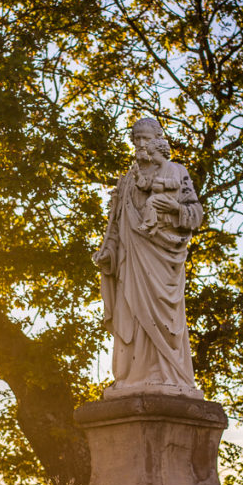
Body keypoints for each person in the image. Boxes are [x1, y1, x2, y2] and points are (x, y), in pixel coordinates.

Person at [94, 117, 203, 397]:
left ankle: (166, 373)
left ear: (158, 139)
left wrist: (173, 212)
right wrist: (109, 250)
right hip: (131, 261)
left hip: (162, 261)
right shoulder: (127, 181)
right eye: (136, 139)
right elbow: (117, 225)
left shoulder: (178, 172)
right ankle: (132, 376)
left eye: (146, 138)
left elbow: (195, 215)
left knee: (162, 317)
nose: (141, 144)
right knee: (130, 312)